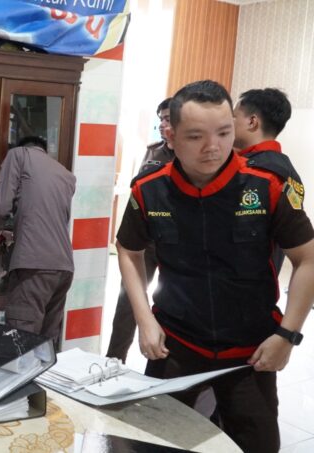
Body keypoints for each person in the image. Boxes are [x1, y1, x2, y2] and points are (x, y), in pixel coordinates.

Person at [117, 80, 314, 453]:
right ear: (171, 135)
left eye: (224, 133)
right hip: (176, 343)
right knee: (151, 444)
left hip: (251, 351)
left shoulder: (266, 185)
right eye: (196, 136)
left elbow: (308, 259)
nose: (213, 147)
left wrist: (287, 335)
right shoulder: (150, 189)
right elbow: (128, 250)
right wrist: (145, 320)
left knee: (257, 445)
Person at [0, 136, 75, 349]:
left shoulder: (18, 155)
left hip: (34, 265)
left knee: (21, 340)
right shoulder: (66, 174)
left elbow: (2, 205)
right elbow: (45, 216)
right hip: (63, 267)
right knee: (46, 345)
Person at [106, 98, 174, 362]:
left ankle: (164, 360)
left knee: (169, 302)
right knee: (127, 301)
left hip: (174, 243)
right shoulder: (153, 152)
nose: (163, 124)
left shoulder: (193, 158)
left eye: (168, 118)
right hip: (146, 242)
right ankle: (114, 359)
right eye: (161, 119)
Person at [233, 88, 302, 272]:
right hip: (266, 279)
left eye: (234, 117)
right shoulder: (288, 170)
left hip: (237, 281)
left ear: (252, 121)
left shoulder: (253, 172)